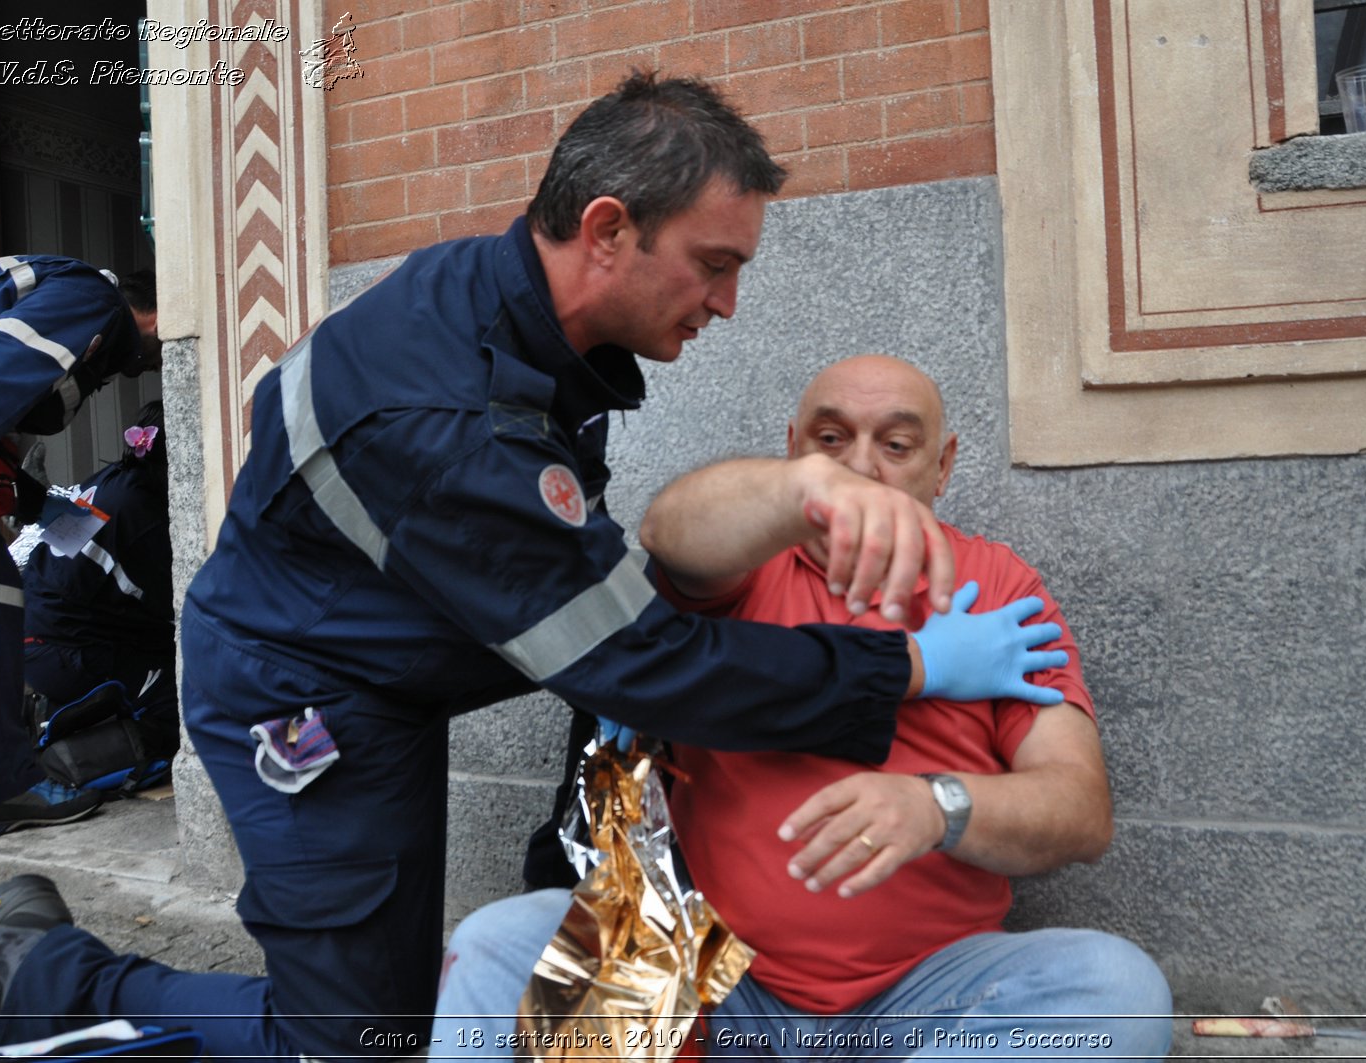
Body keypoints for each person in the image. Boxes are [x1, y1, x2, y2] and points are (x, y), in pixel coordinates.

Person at [0, 74, 1075, 1061]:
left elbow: (590, 590)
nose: (728, 302)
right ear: (610, 227)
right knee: (355, 1039)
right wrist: (908, 664)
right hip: (307, 708)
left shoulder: (507, 308)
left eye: (898, 444)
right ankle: (35, 978)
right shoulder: (447, 416)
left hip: (379, 663)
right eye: (714, 264)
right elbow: (641, 656)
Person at [432, 355, 1173, 1060]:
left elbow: (1079, 808)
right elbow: (669, 529)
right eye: (829, 440)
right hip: (712, 984)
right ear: (793, 451)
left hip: (924, 995)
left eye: (896, 444)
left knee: (1117, 990)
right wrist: (799, 493)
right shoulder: (745, 565)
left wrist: (936, 806)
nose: (859, 464)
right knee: (502, 943)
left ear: (942, 466)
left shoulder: (999, 587)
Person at [0, 258, 160, 839]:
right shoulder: (93, 301)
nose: (147, 366)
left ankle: (0, 791)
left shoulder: (73, 299)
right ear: (159, 313)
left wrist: (34, 502)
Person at [20, 400, 178, 786]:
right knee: (187, 696)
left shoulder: (111, 481)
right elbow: (176, 609)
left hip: (40, 634)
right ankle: (69, 749)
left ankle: (65, 709)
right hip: (61, 650)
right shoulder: (140, 514)